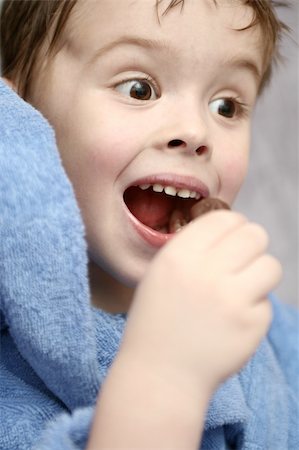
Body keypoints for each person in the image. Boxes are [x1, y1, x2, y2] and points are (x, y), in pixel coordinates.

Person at [0, 1, 298, 449]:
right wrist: (166, 379)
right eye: (140, 89)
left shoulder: (265, 330)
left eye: (227, 106)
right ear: (19, 113)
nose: (197, 131)